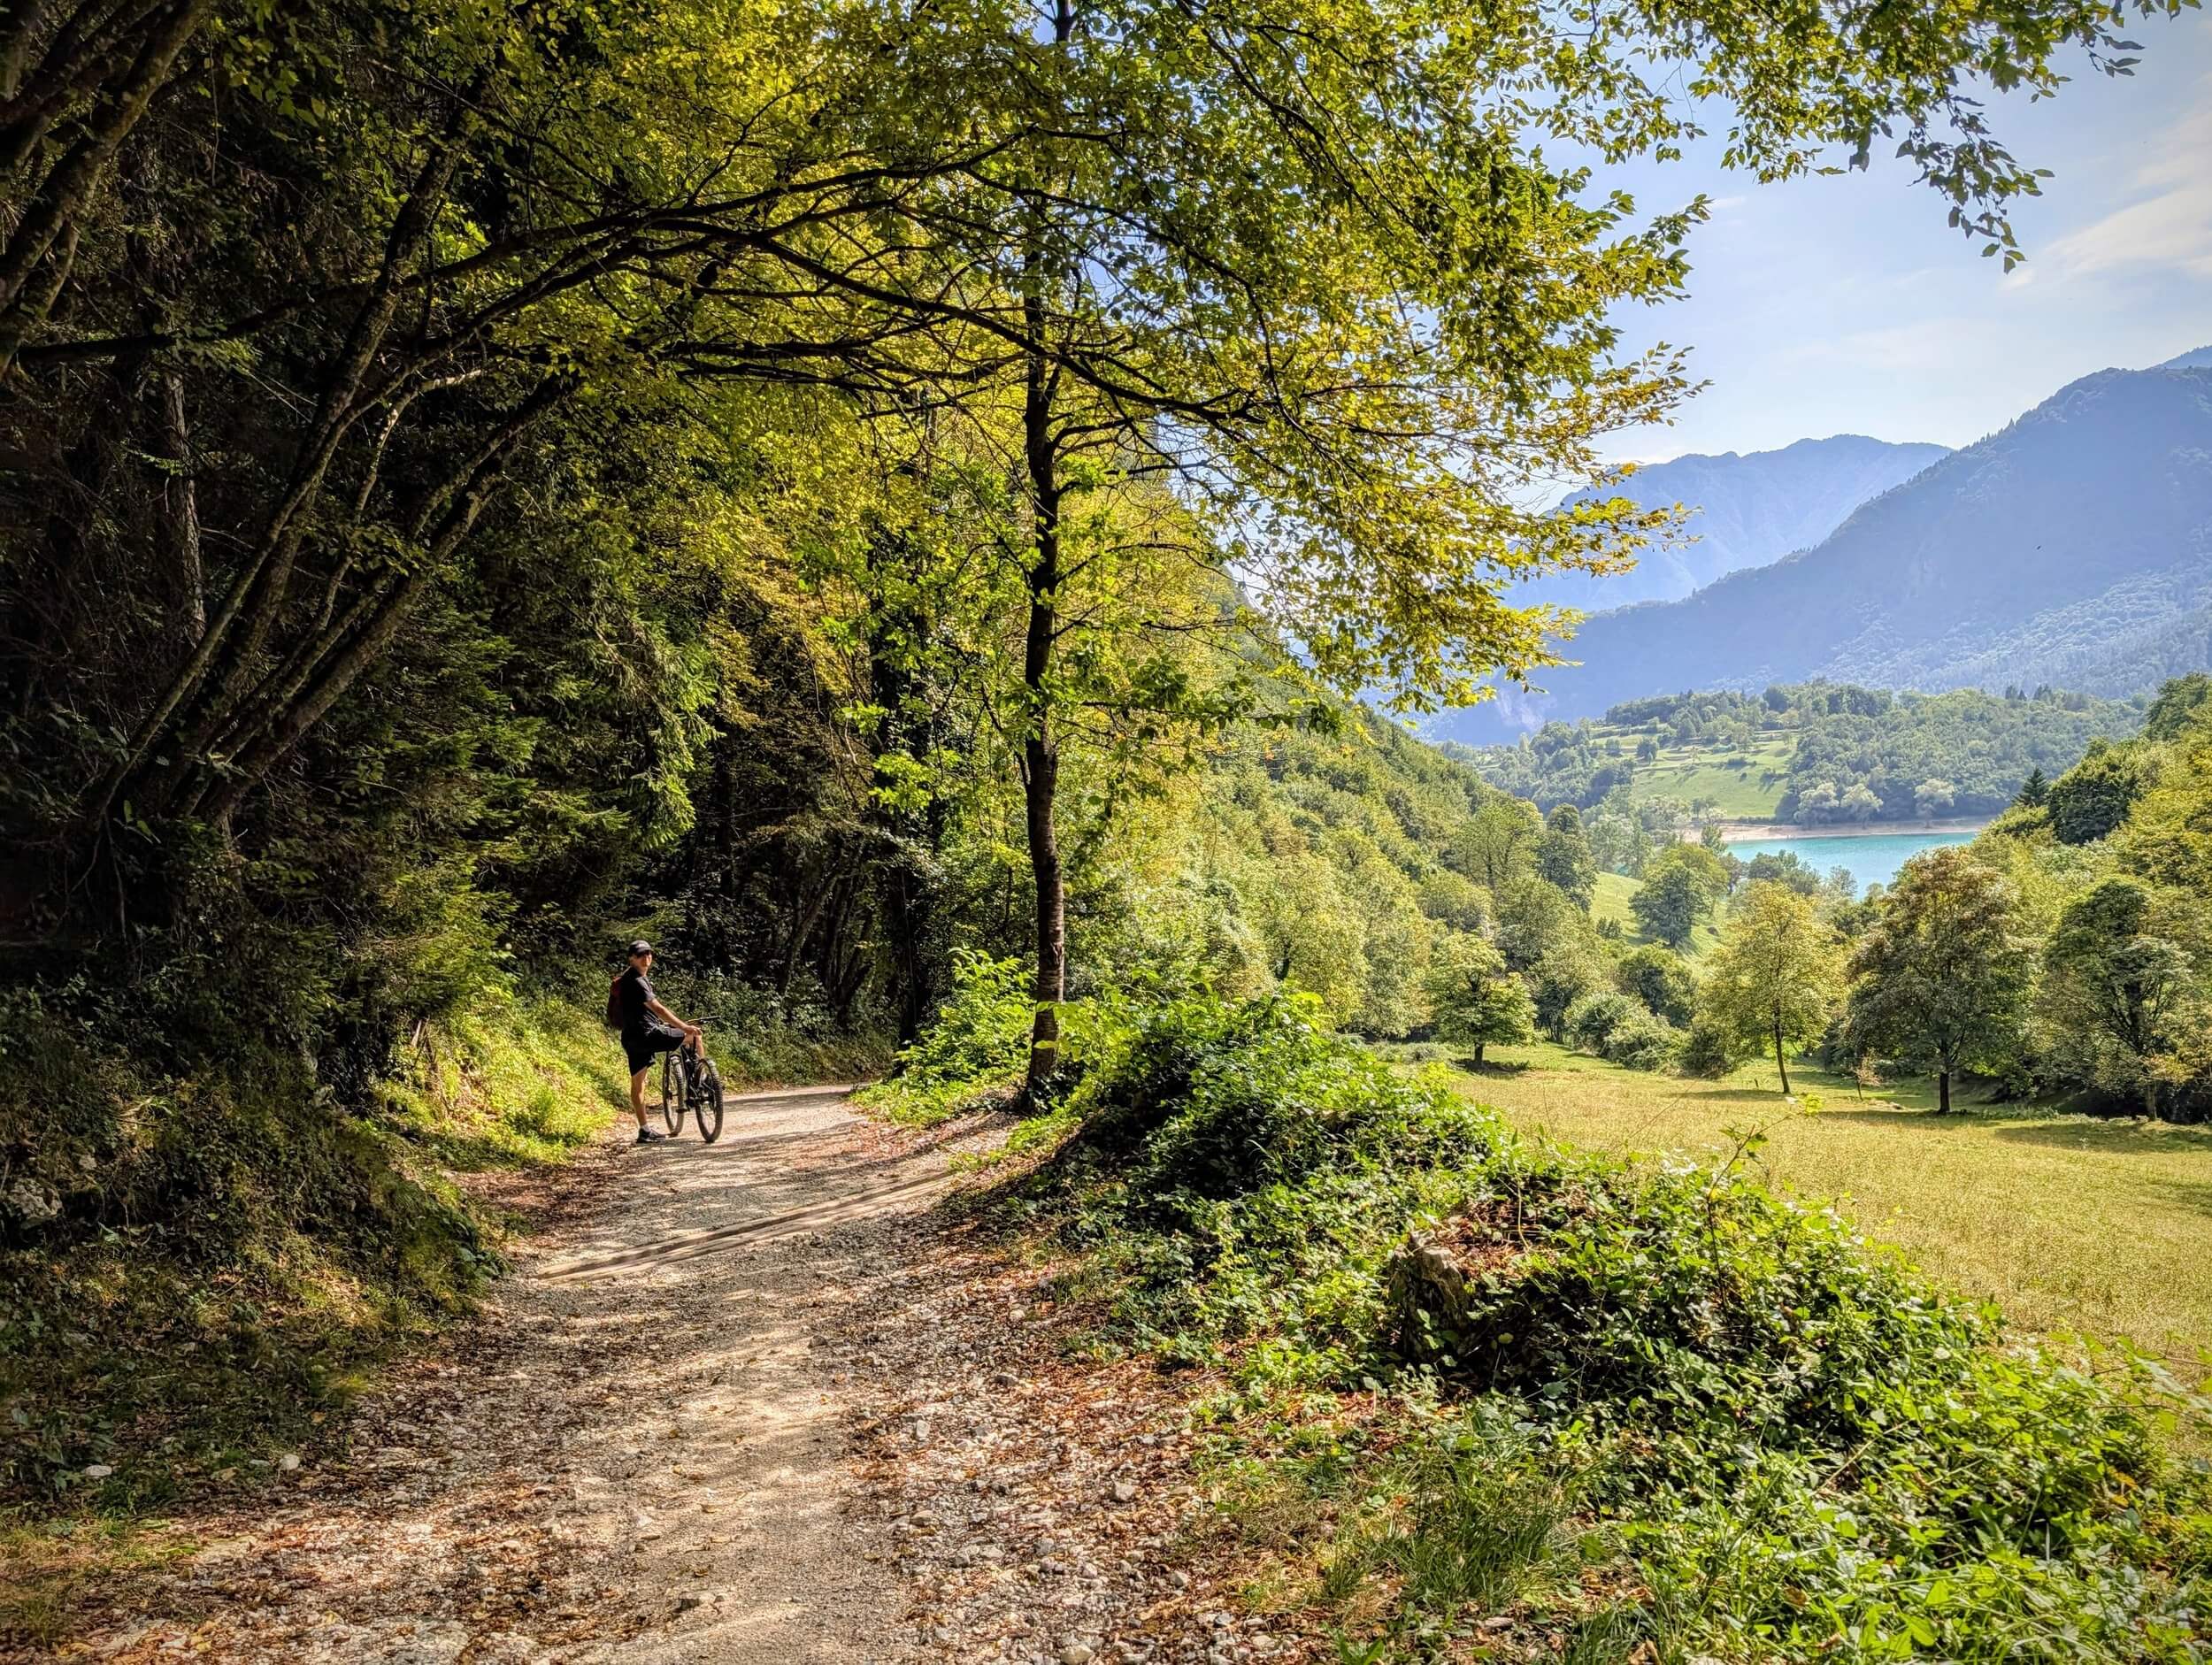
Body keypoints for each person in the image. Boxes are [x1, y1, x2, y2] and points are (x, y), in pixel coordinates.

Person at [613, 940, 701, 1145]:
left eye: (649, 954)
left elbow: (640, 1012)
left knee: (638, 1084)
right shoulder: (637, 980)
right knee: (695, 1036)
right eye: (641, 955)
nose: (647, 958)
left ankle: (644, 1130)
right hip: (648, 1035)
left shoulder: (626, 979)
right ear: (631, 958)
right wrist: (684, 1027)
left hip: (631, 1038)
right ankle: (699, 1080)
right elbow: (658, 1009)